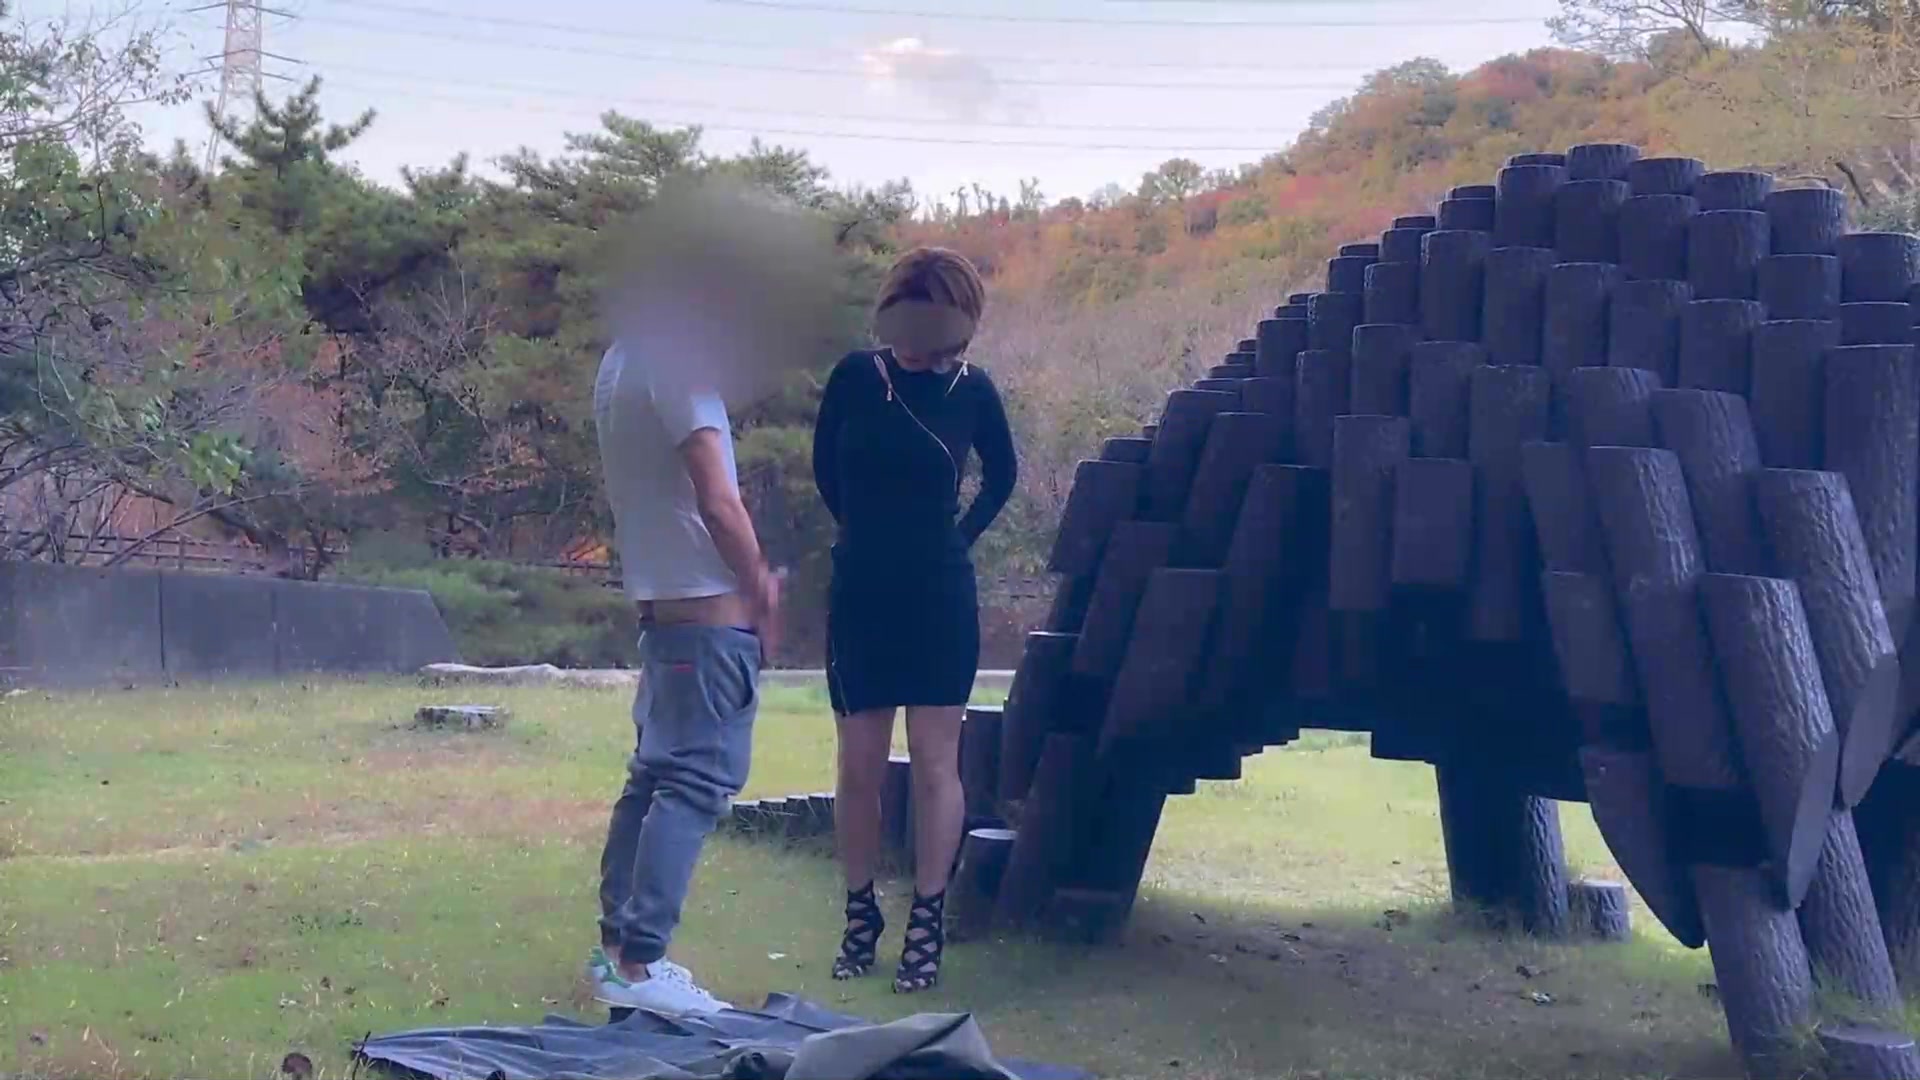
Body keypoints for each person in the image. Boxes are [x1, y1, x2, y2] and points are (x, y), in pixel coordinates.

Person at [811, 246, 1017, 993]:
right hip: (862, 591)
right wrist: (866, 537)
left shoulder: (973, 391)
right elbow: (826, 468)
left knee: (936, 763)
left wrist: (953, 540)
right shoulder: (855, 377)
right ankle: (859, 915)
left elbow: (1003, 477)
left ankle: (926, 925)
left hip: (939, 597)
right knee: (858, 764)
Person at [586, 338, 782, 1015]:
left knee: (652, 781)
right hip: (708, 619)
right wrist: (762, 589)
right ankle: (640, 965)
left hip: (666, 615)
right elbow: (719, 504)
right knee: (695, 782)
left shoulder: (623, 357)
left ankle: (618, 954)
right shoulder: (680, 359)